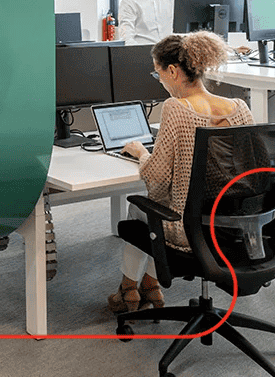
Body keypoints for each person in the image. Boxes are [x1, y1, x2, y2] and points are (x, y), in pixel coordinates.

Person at [108, 31, 252, 313]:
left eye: (158, 73)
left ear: (173, 71)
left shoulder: (176, 108)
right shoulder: (239, 108)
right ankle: (150, 285)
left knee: (142, 208)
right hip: (236, 226)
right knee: (162, 208)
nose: (160, 80)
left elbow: (157, 181)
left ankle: (127, 290)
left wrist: (141, 153)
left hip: (191, 232)